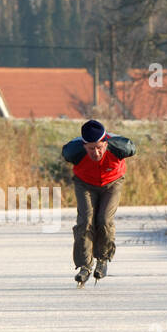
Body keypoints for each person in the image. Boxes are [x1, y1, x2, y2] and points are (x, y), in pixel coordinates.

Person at [61, 119, 135, 284]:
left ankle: (102, 259)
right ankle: (84, 266)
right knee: (85, 221)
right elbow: (67, 151)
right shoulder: (73, 152)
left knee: (104, 220)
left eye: (99, 148)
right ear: (84, 147)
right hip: (84, 184)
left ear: (106, 144)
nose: (96, 153)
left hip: (112, 183)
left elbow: (132, 147)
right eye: (91, 149)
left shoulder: (120, 148)